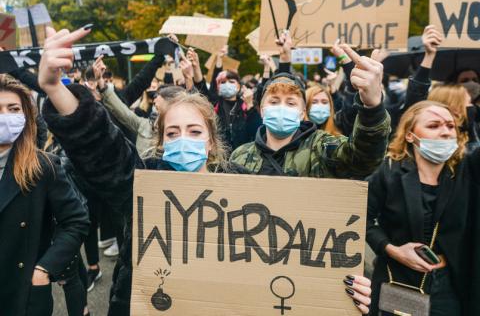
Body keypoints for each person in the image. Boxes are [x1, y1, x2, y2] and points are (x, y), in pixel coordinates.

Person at [38, 26, 373, 315]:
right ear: (161, 141)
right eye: (173, 133)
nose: (183, 139)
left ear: (211, 142)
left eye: (195, 132)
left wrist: (338, 288)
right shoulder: (143, 185)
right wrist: (56, 88)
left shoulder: (245, 185)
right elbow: (104, 149)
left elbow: (294, 251)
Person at [367, 100, 480, 315]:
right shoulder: (389, 171)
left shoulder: (467, 171)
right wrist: (393, 250)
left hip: (449, 284)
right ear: (410, 135)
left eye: (450, 125)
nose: (445, 132)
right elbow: (362, 218)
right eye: (433, 125)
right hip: (399, 280)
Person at [230, 44, 391, 180]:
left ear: (302, 113)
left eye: (291, 102)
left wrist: (372, 107)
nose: (282, 107)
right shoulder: (240, 156)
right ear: (262, 110)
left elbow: (362, 160)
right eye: (274, 101)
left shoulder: (321, 148)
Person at [0, 73, 89, 316]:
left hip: (23, 295)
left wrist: (43, 269)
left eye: (13, 108)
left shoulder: (44, 165)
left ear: (27, 116)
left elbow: (76, 221)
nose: (5, 116)